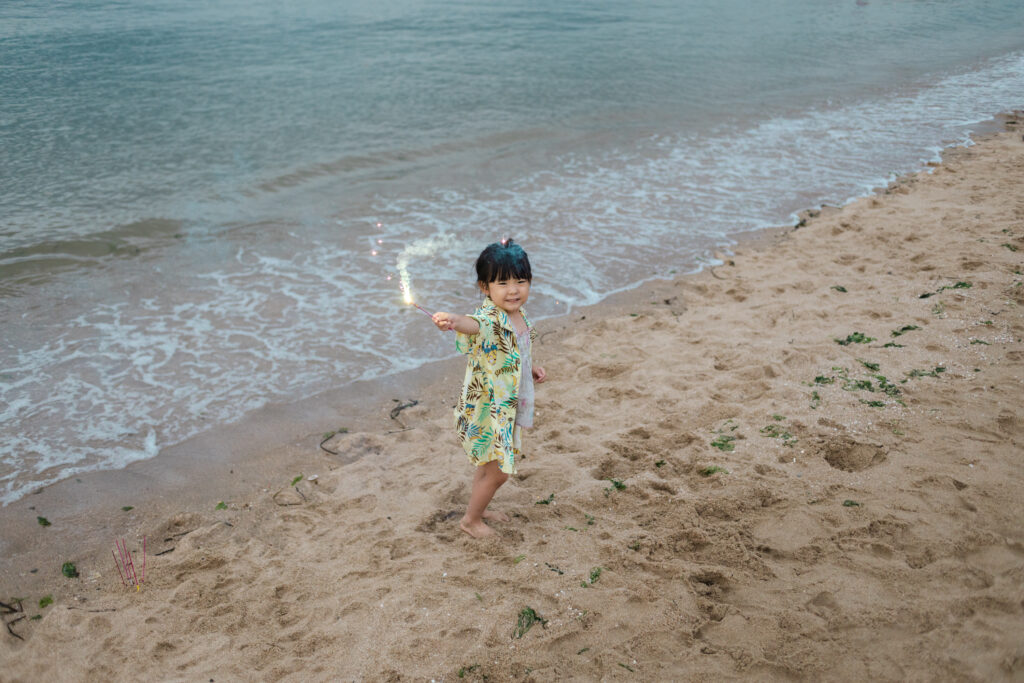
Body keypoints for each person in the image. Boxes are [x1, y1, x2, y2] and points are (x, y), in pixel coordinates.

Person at [432, 239, 547, 538]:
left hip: (507, 404)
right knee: (499, 472)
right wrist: (453, 320)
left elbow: (517, 349)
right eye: (503, 282)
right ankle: (470, 521)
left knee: (489, 466)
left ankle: (478, 509)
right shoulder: (490, 319)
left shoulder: (519, 316)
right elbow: (472, 324)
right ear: (485, 288)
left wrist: (529, 368)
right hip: (490, 409)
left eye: (521, 281)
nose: (513, 290)